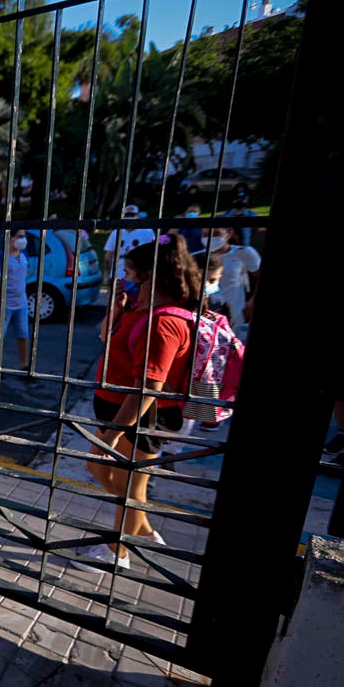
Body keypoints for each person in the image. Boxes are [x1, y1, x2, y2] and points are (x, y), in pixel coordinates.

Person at [74, 234, 202, 571]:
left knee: (132, 484)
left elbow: (149, 386)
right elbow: (106, 336)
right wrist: (115, 307)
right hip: (116, 409)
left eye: (129, 272)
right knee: (102, 470)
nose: (123, 278)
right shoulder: (138, 307)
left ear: (149, 277)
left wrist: (116, 431)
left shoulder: (165, 322)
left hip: (143, 417)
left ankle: (117, 553)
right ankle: (143, 531)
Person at [196, 226, 260, 338]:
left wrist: (251, 302)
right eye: (205, 235)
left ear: (229, 233)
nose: (210, 238)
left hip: (236, 315)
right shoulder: (195, 257)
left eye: (216, 233)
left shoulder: (244, 252)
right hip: (205, 316)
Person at [0, 229, 31, 370]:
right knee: (0, 334)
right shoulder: (1, 259)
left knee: (23, 334)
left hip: (21, 303)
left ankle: (24, 364)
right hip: (5, 304)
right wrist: (0, 305)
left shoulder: (24, 255)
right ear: (11, 238)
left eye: (24, 236)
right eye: (20, 236)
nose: (23, 239)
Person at [102, 204, 156, 287]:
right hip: (118, 274)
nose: (130, 217)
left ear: (138, 216)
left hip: (138, 276)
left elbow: (153, 254)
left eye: (132, 215)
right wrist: (107, 275)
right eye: (127, 215)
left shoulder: (147, 231)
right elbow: (108, 256)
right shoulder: (116, 233)